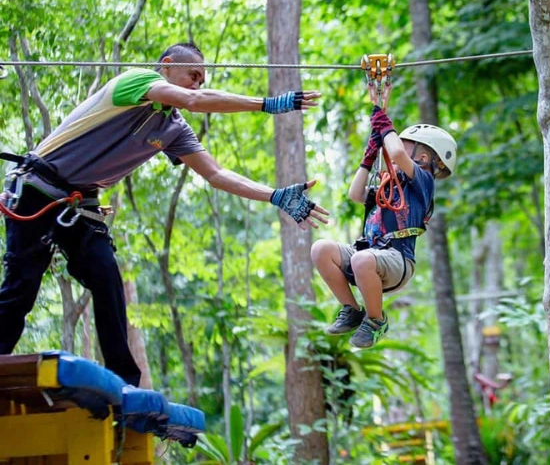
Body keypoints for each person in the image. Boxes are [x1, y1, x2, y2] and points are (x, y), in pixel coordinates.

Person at [0, 42, 329, 386]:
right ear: (167, 66)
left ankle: (124, 383)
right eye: (193, 75)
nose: (197, 84)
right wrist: (267, 104)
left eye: (203, 80)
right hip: (37, 187)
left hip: (79, 205)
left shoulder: (174, 129)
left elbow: (216, 175)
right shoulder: (136, 82)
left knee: (106, 278)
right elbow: (194, 101)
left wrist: (274, 196)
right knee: (22, 287)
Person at [310, 104, 457, 349]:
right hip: (370, 256)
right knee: (320, 249)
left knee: (362, 260)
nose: (392, 149)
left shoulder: (422, 182)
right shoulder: (388, 186)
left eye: (405, 144)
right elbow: (356, 194)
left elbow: (398, 154)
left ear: (422, 158)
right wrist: (368, 158)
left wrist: (385, 125)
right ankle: (352, 310)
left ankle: (376, 320)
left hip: (397, 259)